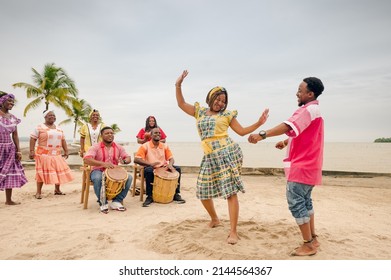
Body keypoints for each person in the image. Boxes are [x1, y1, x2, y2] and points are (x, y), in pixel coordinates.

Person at [175, 70, 269, 244]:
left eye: (223, 101)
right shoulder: (199, 112)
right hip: (209, 156)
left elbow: (241, 132)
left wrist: (259, 123)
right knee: (203, 191)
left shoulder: (227, 115)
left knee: (230, 192)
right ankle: (215, 219)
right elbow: (181, 103)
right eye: (218, 99)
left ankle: (233, 231)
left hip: (227, 153)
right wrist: (178, 84)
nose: (220, 103)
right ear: (210, 98)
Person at [248, 77, 325, 256]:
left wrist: (262, 134)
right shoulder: (316, 111)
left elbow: (288, 125)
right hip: (311, 167)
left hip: (302, 166)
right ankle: (313, 238)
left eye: (300, 90)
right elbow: (304, 133)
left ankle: (308, 245)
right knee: (306, 202)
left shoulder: (308, 109)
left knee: (296, 204)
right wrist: (285, 141)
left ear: (310, 94)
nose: (297, 93)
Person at [83, 126, 132, 213]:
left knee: (129, 177)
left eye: (111, 133)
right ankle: (103, 203)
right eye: (107, 133)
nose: (110, 135)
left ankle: (116, 201)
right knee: (97, 178)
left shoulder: (118, 147)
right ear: (101, 136)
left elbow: (128, 157)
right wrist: (103, 164)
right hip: (98, 170)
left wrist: (124, 161)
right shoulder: (95, 147)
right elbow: (86, 159)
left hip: (113, 172)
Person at [134, 127, 185, 207]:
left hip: (163, 167)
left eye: (159, 133)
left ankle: (176, 194)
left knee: (177, 169)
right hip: (151, 167)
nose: (158, 134)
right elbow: (136, 159)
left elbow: (171, 158)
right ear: (151, 135)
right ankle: (149, 196)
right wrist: (150, 164)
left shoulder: (164, 146)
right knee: (148, 171)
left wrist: (170, 165)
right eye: (155, 133)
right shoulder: (145, 146)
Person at [29, 110, 74, 199]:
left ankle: (57, 190)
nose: (52, 117)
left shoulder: (59, 128)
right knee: (41, 173)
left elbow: (63, 140)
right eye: (49, 115)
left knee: (58, 171)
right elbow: (32, 139)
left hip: (56, 154)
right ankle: (38, 192)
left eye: (53, 115)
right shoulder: (39, 127)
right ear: (45, 117)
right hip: (43, 155)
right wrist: (31, 151)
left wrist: (66, 151)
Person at [0, 93, 28, 205]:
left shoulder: (13, 118)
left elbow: (15, 135)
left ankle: (8, 200)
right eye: (9, 101)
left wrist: (18, 150)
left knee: (9, 172)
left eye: (13, 102)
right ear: (2, 102)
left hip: (9, 149)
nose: (11, 103)